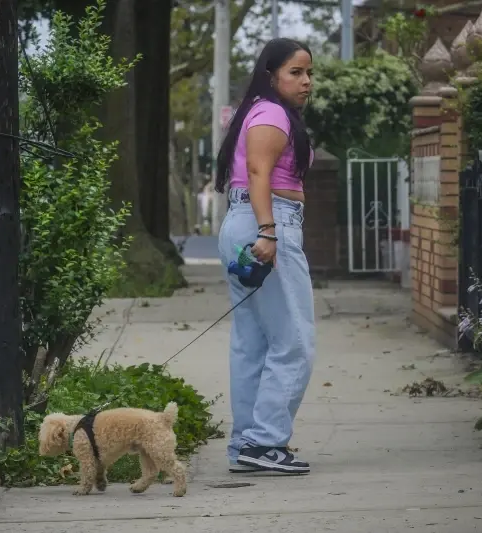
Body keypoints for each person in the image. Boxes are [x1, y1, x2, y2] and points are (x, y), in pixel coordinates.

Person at [215, 38, 316, 474]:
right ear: (271, 75)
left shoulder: (257, 111)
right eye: (296, 72)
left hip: (246, 222)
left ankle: (246, 445)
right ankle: (265, 441)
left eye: (309, 73)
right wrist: (268, 231)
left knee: (252, 344)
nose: (306, 81)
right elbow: (259, 172)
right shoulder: (272, 114)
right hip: (266, 224)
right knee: (294, 342)